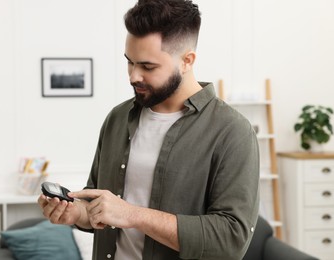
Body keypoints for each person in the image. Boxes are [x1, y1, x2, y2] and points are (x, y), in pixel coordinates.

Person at [38, 0, 259, 259]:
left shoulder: (232, 132)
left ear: (187, 61)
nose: (133, 75)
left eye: (147, 66)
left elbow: (231, 239)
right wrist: (77, 213)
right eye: (129, 62)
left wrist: (132, 215)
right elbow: (99, 209)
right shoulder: (118, 118)